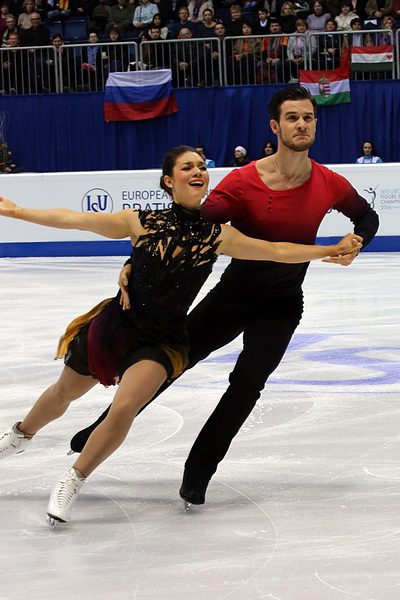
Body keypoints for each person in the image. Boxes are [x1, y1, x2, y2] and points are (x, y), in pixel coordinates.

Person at [0, 146, 361, 526]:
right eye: (187, 167)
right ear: (169, 181)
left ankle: (73, 478)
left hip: (163, 340)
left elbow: (275, 250)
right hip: (118, 328)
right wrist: (17, 212)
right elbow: (75, 220)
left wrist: (329, 249)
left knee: (124, 408)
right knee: (64, 392)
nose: (198, 171)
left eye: (202, 166)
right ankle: (20, 436)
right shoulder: (140, 221)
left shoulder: (218, 235)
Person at [70, 86, 379, 508]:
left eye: (308, 117)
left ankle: (199, 472)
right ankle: (104, 427)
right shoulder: (244, 182)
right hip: (233, 294)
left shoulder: (329, 183)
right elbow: (184, 229)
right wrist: (133, 262)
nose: (302, 124)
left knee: (247, 385)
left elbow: (366, 215)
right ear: (275, 127)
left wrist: (358, 240)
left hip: (283, 304)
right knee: (172, 361)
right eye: (292, 117)